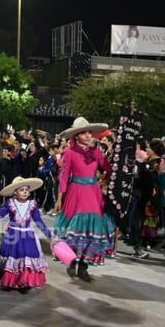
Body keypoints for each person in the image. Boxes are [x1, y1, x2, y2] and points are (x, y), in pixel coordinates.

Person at [53, 116, 113, 281]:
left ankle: (84, 267)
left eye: (89, 133)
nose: (87, 135)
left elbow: (107, 168)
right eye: (83, 133)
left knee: (92, 229)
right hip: (77, 191)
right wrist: (59, 198)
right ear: (76, 136)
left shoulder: (97, 152)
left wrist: (119, 159)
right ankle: (72, 260)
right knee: (75, 227)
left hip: (93, 192)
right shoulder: (70, 153)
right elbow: (64, 177)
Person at [0, 176, 52, 293]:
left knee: (26, 258)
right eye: (21, 189)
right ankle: (9, 282)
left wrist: (49, 235)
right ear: (15, 192)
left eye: (27, 189)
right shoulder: (10, 203)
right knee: (12, 258)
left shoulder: (32, 205)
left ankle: (25, 282)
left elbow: (38, 221)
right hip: (12, 236)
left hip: (27, 237)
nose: (25, 192)